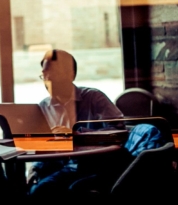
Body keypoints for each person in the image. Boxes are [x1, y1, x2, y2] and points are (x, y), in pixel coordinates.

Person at [29, 49, 123, 199]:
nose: (48, 80)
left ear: (71, 75)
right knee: (34, 190)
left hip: (98, 166)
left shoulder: (94, 98)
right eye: (44, 75)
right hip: (64, 167)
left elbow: (119, 131)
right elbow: (45, 148)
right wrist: (35, 168)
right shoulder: (43, 107)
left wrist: (79, 136)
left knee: (45, 191)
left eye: (53, 74)